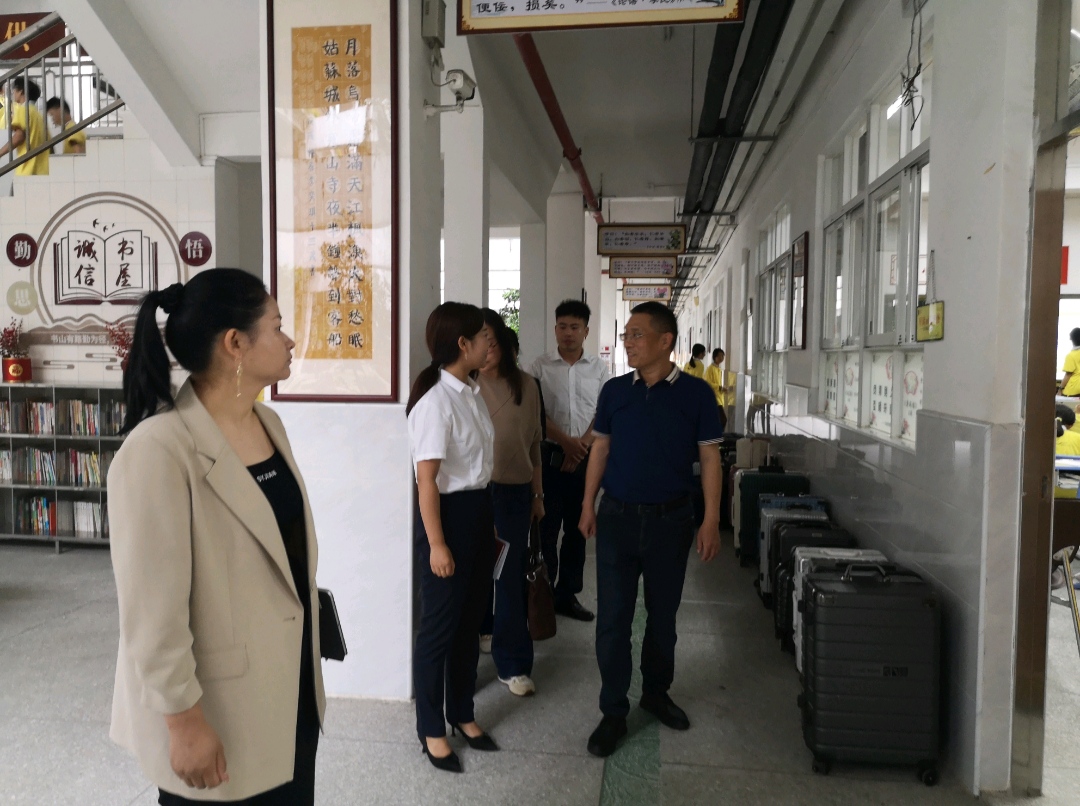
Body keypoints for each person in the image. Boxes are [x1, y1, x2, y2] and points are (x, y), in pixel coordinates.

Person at [107, 269, 325, 804]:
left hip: (287, 688)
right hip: (216, 711)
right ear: (235, 344)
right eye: (277, 326)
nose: (289, 340)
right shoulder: (159, 449)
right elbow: (151, 613)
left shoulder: (268, 424)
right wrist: (183, 723)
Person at [578, 301, 723, 758]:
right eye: (627, 335)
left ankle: (656, 694)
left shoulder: (697, 394)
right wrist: (587, 504)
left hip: (671, 521)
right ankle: (613, 710)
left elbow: (710, 458)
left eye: (637, 335)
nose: (629, 343)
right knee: (613, 620)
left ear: (666, 341)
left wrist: (711, 520)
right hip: (617, 519)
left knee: (663, 618)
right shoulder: (615, 391)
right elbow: (600, 449)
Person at [407, 302, 499, 773]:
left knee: (469, 624)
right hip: (446, 520)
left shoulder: (472, 393)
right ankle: (431, 728)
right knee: (438, 630)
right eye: (483, 336)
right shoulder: (435, 403)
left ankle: (462, 712)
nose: (490, 343)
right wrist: (438, 545)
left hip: (479, 513)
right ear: (463, 344)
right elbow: (426, 482)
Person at [528, 299, 611, 622]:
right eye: (562, 326)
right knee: (547, 528)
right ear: (555, 329)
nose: (568, 333)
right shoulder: (539, 367)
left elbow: (602, 411)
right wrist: (566, 443)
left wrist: (581, 446)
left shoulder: (598, 368)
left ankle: (568, 594)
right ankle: (545, 593)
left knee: (578, 529)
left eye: (575, 327)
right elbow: (535, 412)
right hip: (549, 458)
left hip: (586, 461)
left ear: (586, 331)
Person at [476, 309, 544, 697]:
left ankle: (513, 663)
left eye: (489, 338)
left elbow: (535, 445)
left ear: (502, 340)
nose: (484, 347)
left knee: (509, 577)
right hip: (473, 493)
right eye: (475, 339)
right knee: (473, 574)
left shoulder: (527, 386)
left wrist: (538, 495)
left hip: (514, 494)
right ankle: (482, 633)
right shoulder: (464, 385)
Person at [0, 78, 49, 176]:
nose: (13, 92)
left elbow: (19, 136)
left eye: (14, 89)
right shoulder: (38, 114)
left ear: (21, 92)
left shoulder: (23, 110)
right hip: (42, 168)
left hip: (27, 167)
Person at [702, 348, 730, 433]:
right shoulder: (710, 369)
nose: (722, 358)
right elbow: (708, 383)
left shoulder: (718, 369)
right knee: (723, 419)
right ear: (715, 357)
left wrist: (722, 389)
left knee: (717, 420)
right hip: (713, 398)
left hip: (718, 398)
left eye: (723, 356)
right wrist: (720, 387)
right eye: (720, 356)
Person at [1061, 328, 1080, 397]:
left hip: (1074, 390)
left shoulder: (1071, 355)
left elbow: (1068, 375)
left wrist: (1060, 389)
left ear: (1072, 339)